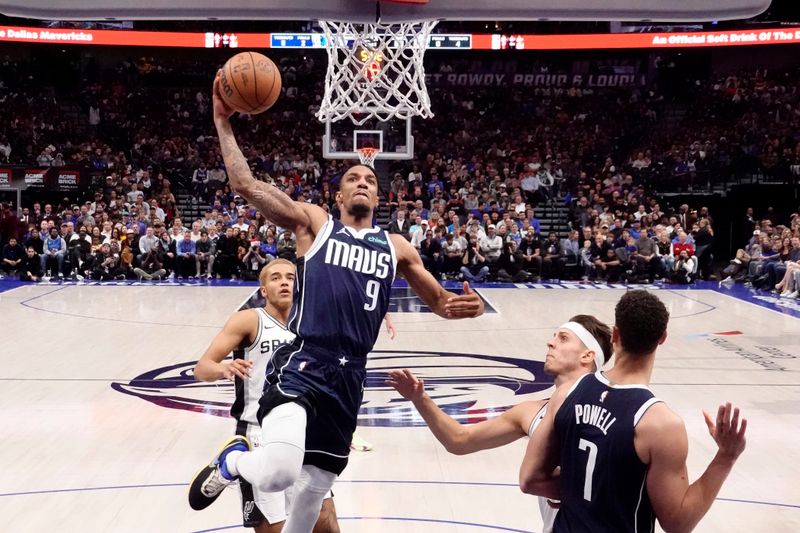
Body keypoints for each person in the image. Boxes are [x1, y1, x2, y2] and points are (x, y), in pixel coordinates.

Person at [189, 71, 484, 533]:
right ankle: (233, 462)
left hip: (351, 376)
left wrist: (469, 306)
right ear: (339, 194)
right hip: (306, 360)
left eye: (370, 177)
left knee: (312, 495)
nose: (363, 181)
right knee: (281, 471)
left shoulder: (397, 247)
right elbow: (247, 185)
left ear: (379, 193)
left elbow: (443, 302)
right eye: (353, 177)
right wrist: (223, 123)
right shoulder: (316, 225)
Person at [520, 291, 747, 533]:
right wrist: (726, 456)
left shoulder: (566, 393)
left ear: (615, 335)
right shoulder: (659, 423)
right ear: (662, 338)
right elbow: (678, 523)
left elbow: (530, 479)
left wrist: (583, 490)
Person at [387, 315, 611, 533]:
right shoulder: (531, 412)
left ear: (587, 355)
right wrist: (420, 399)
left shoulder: (614, 411)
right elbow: (459, 440)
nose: (550, 342)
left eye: (563, 338)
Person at [192, 259, 338, 532]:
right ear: (263, 289)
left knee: (326, 524)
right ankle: (233, 461)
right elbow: (202, 368)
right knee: (275, 528)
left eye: (290, 278)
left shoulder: (311, 325)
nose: (284, 282)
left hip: (305, 431)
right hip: (258, 434)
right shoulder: (249, 319)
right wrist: (223, 367)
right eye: (275, 278)